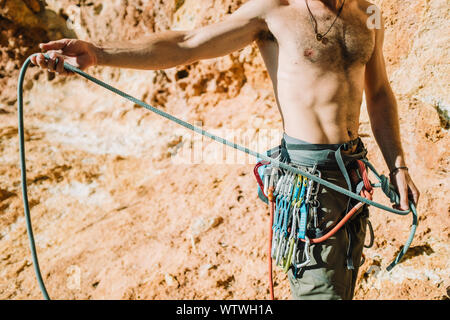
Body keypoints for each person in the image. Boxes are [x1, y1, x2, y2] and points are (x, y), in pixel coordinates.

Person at [31, 0, 420, 300]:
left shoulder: (370, 13)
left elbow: (380, 91)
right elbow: (187, 44)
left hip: (352, 176)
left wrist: (398, 165)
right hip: (309, 185)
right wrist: (99, 53)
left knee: (346, 276)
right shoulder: (273, 11)